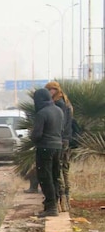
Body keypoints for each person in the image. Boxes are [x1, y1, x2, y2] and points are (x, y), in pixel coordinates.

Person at [30, 87, 64, 217]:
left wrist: (32, 138)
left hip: (45, 147)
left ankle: (51, 207)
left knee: (45, 177)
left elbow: (37, 135)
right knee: (55, 175)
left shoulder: (42, 113)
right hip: (58, 147)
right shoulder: (59, 110)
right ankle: (54, 203)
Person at [46, 81, 74, 212]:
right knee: (65, 169)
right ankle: (66, 200)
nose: (49, 92)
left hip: (60, 139)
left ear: (55, 90)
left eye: (51, 90)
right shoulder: (66, 102)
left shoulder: (59, 104)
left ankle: (62, 199)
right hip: (66, 139)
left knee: (59, 169)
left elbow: (60, 124)